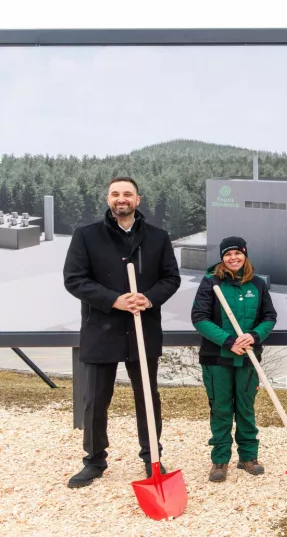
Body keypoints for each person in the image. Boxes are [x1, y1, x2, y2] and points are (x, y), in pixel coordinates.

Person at [63, 176, 181, 488]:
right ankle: (94, 460)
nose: (121, 199)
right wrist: (114, 300)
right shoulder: (86, 236)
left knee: (147, 398)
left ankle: (151, 457)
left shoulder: (157, 237)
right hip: (101, 329)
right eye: (115, 194)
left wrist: (150, 297)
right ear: (108, 199)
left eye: (127, 194)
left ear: (138, 200)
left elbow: (171, 277)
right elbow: (74, 279)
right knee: (96, 399)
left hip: (143, 328)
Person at [191, 236, 277, 482]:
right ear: (222, 258)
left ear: (245, 255)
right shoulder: (210, 283)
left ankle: (248, 457)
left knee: (246, 408)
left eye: (237, 254)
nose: (233, 258)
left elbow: (269, 316)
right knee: (220, 408)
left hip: (249, 358)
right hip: (216, 358)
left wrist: (253, 336)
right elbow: (199, 317)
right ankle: (220, 460)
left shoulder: (258, 285)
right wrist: (229, 341)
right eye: (228, 254)